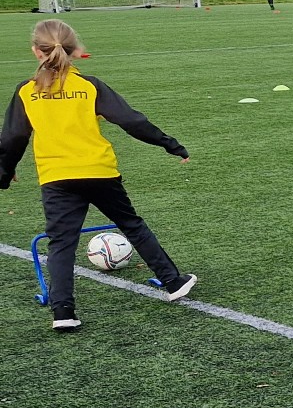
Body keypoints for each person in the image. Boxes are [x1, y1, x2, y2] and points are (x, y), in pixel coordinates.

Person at [1, 20, 198, 331]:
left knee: (61, 243)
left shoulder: (27, 91)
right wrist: (169, 144)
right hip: (99, 171)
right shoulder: (89, 86)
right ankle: (173, 282)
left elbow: (13, 137)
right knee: (132, 225)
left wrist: (5, 172)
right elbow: (131, 120)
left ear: (36, 51)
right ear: (74, 50)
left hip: (56, 177)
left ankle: (63, 313)